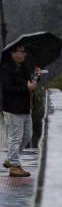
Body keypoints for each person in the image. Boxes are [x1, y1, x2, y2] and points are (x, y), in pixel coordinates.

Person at [0, 44, 39, 178]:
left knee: (27, 135)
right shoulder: (6, 69)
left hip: (25, 108)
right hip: (12, 109)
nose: (22, 54)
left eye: (24, 52)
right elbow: (8, 89)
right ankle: (15, 166)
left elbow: (30, 83)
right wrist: (26, 88)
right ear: (12, 53)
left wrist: (36, 77)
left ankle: (11, 159)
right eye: (19, 51)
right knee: (15, 137)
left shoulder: (24, 68)